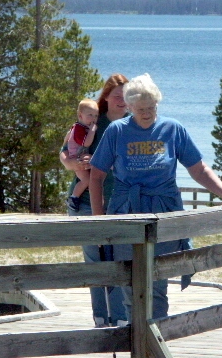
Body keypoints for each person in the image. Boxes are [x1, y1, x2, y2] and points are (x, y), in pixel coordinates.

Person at [89, 73, 222, 321]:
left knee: (158, 283)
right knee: (130, 284)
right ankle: (134, 336)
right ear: (130, 107)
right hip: (126, 213)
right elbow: (96, 176)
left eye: (151, 107)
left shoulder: (173, 129)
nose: (147, 113)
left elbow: (199, 170)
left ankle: (156, 335)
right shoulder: (117, 131)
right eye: (141, 109)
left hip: (164, 213)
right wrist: (98, 220)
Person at [59, 73, 129, 327]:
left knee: (120, 261)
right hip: (87, 201)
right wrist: (73, 163)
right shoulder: (93, 121)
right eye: (116, 95)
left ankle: (120, 318)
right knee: (95, 261)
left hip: (120, 204)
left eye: (126, 96)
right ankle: (101, 318)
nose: (122, 100)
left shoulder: (134, 123)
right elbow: (65, 151)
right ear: (106, 97)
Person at [63, 98, 99, 211]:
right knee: (86, 180)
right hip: (77, 160)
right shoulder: (78, 129)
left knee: (89, 179)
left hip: (80, 157)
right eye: (90, 115)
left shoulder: (81, 127)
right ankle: (73, 198)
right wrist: (92, 131)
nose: (93, 119)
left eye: (96, 116)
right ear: (80, 115)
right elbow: (87, 143)